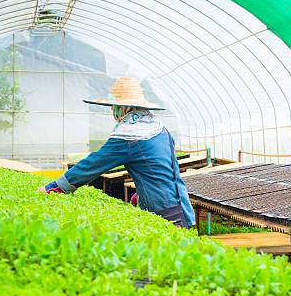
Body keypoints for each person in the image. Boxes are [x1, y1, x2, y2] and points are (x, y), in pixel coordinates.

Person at [39, 77, 195, 228]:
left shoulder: (131, 133)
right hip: (182, 208)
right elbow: (165, 169)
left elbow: (94, 163)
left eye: (114, 106)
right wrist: (141, 194)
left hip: (163, 212)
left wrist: (56, 186)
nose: (113, 110)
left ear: (124, 107)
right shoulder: (159, 128)